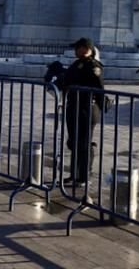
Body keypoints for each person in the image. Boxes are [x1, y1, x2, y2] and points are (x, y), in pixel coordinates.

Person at [53, 37, 105, 186]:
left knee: (84, 142)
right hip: (74, 106)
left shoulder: (94, 66)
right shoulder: (77, 64)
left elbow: (100, 89)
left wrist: (97, 109)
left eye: (78, 48)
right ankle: (74, 174)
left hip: (87, 108)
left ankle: (84, 176)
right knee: (73, 141)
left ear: (87, 49)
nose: (75, 51)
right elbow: (67, 80)